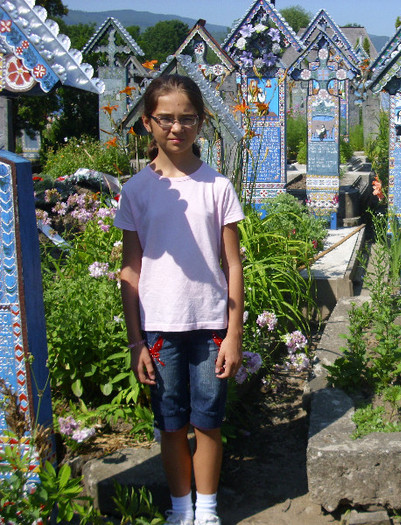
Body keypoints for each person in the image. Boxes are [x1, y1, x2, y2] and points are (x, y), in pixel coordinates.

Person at [114, 74, 245, 525]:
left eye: (187, 118)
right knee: (170, 425)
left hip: (209, 326)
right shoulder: (136, 191)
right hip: (159, 329)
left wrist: (233, 335)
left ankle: (206, 509)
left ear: (201, 122)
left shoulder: (217, 187)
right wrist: (136, 344)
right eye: (165, 119)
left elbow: (233, 264)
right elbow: (131, 269)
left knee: (208, 422)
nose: (177, 128)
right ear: (147, 123)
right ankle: (179, 508)